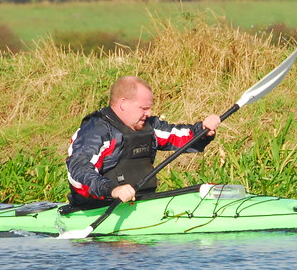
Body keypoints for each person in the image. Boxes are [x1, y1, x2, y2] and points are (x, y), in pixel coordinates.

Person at [64, 76, 223, 209]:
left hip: (142, 203)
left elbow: (179, 136)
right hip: (99, 209)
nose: (149, 113)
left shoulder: (149, 126)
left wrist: (203, 130)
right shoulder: (95, 131)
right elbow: (78, 170)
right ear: (123, 104)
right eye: (144, 108)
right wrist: (112, 190)